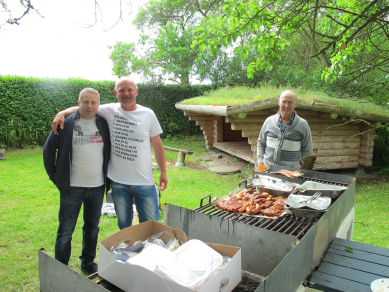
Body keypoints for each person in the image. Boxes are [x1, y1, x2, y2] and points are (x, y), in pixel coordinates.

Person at [51, 77, 168, 230]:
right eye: (121, 90)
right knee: (124, 228)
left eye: (130, 90)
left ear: (136, 92)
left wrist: (163, 172)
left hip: (145, 182)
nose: (126, 93)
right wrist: (62, 113)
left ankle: (150, 252)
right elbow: (85, 107)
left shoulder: (148, 114)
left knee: (151, 226)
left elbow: (157, 145)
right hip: (118, 183)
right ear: (115, 93)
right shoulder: (109, 110)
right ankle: (128, 251)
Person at [43, 88, 111, 274]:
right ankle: (61, 268)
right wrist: (56, 178)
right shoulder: (66, 124)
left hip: (97, 187)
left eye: (93, 102)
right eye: (85, 102)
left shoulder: (104, 123)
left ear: (98, 104)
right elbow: (48, 152)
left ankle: (87, 262)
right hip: (72, 189)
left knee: (92, 228)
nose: (89, 106)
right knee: (65, 231)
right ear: (78, 102)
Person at [257, 90, 313, 171]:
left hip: (290, 173)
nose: (286, 105)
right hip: (267, 169)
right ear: (279, 102)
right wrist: (260, 162)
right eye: (284, 102)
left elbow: (308, 150)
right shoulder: (269, 121)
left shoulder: (302, 124)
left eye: (290, 102)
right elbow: (260, 143)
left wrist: (293, 159)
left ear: (295, 104)